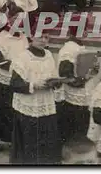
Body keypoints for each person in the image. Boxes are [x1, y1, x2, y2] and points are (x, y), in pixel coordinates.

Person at [10, 29, 61, 164]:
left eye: (47, 37)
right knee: (29, 144)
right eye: (40, 37)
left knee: (46, 141)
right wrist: (34, 85)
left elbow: (53, 76)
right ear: (31, 36)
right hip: (28, 106)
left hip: (45, 104)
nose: (44, 40)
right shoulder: (23, 57)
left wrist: (56, 82)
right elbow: (15, 84)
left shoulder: (49, 55)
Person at [0, 17, 29, 144]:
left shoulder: (23, 36)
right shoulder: (2, 37)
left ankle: (9, 138)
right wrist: (16, 67)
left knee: (13, 110)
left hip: (17, 79)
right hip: (3, 79)